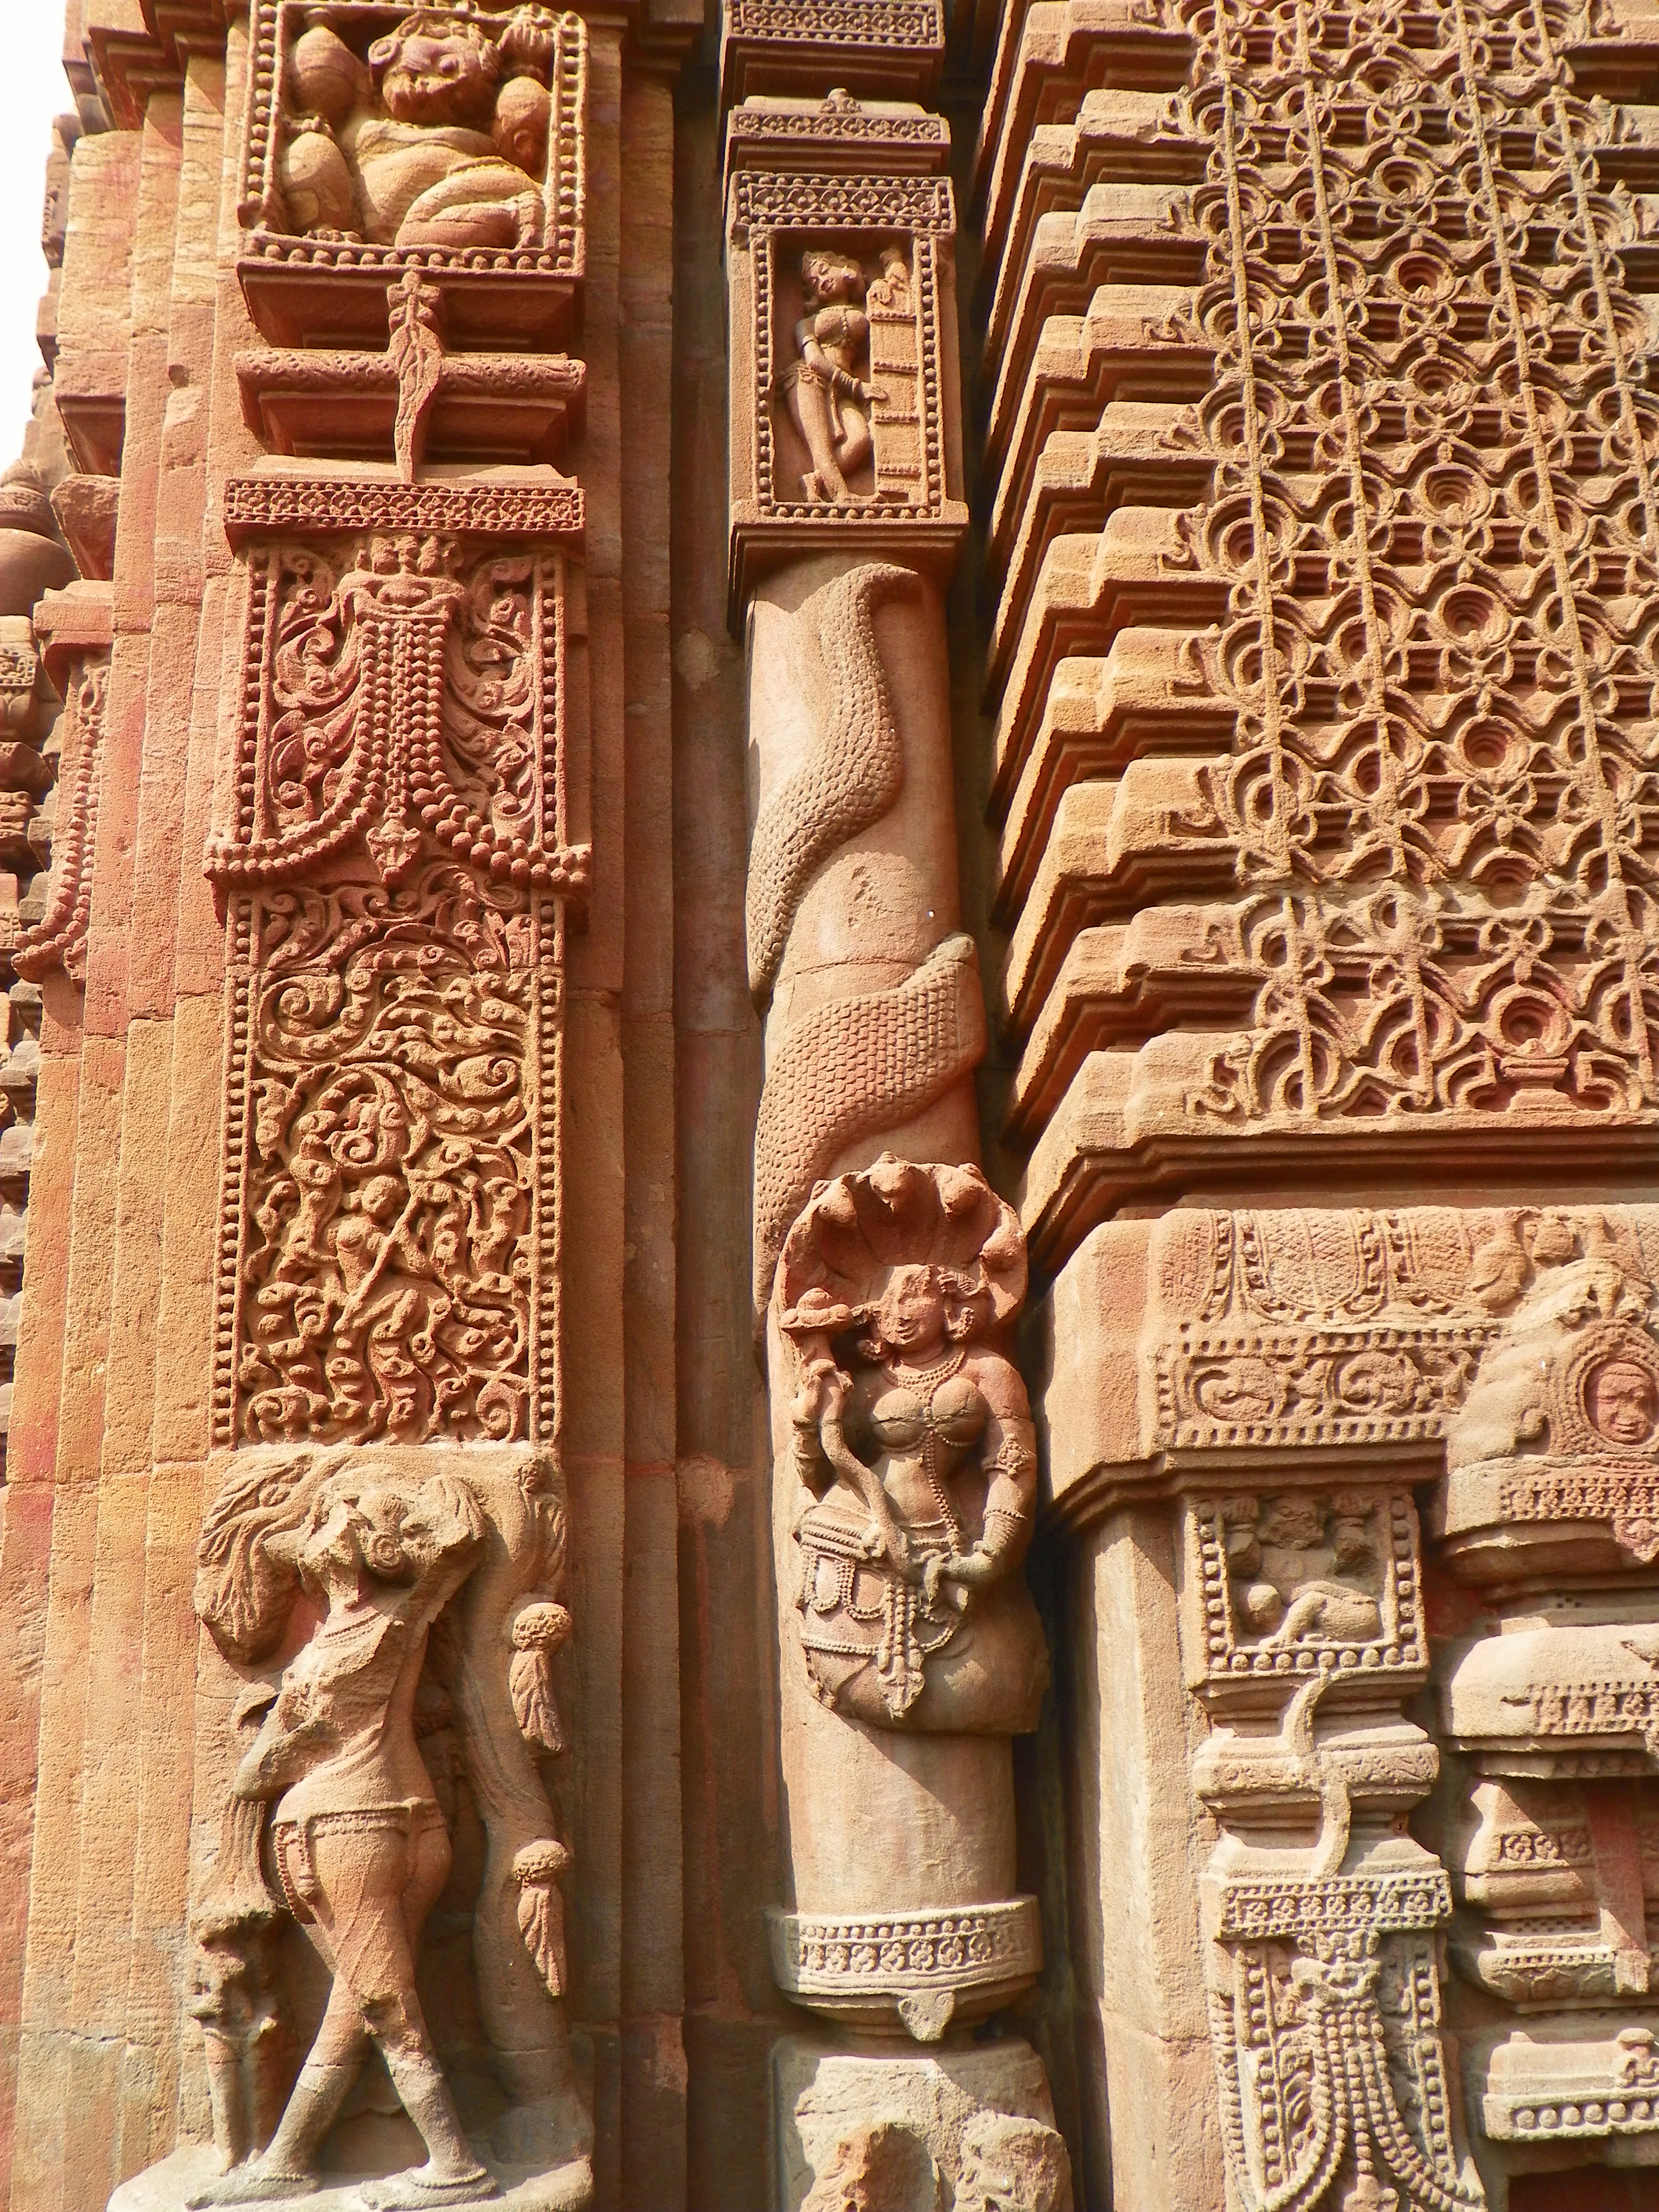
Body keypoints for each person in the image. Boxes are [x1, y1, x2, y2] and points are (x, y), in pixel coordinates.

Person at [187, 1471, 494, 2207]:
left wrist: (256, 1768)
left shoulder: (380, 1625)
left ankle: (455, 2163)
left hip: (354, 1831)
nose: (312, 1535)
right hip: (382, 1824)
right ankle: (287, 2160)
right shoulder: (377, 1624)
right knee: (355, 2007)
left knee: (384, 2003)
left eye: (327, 1523)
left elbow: (458, 1540)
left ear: (350, 1548)